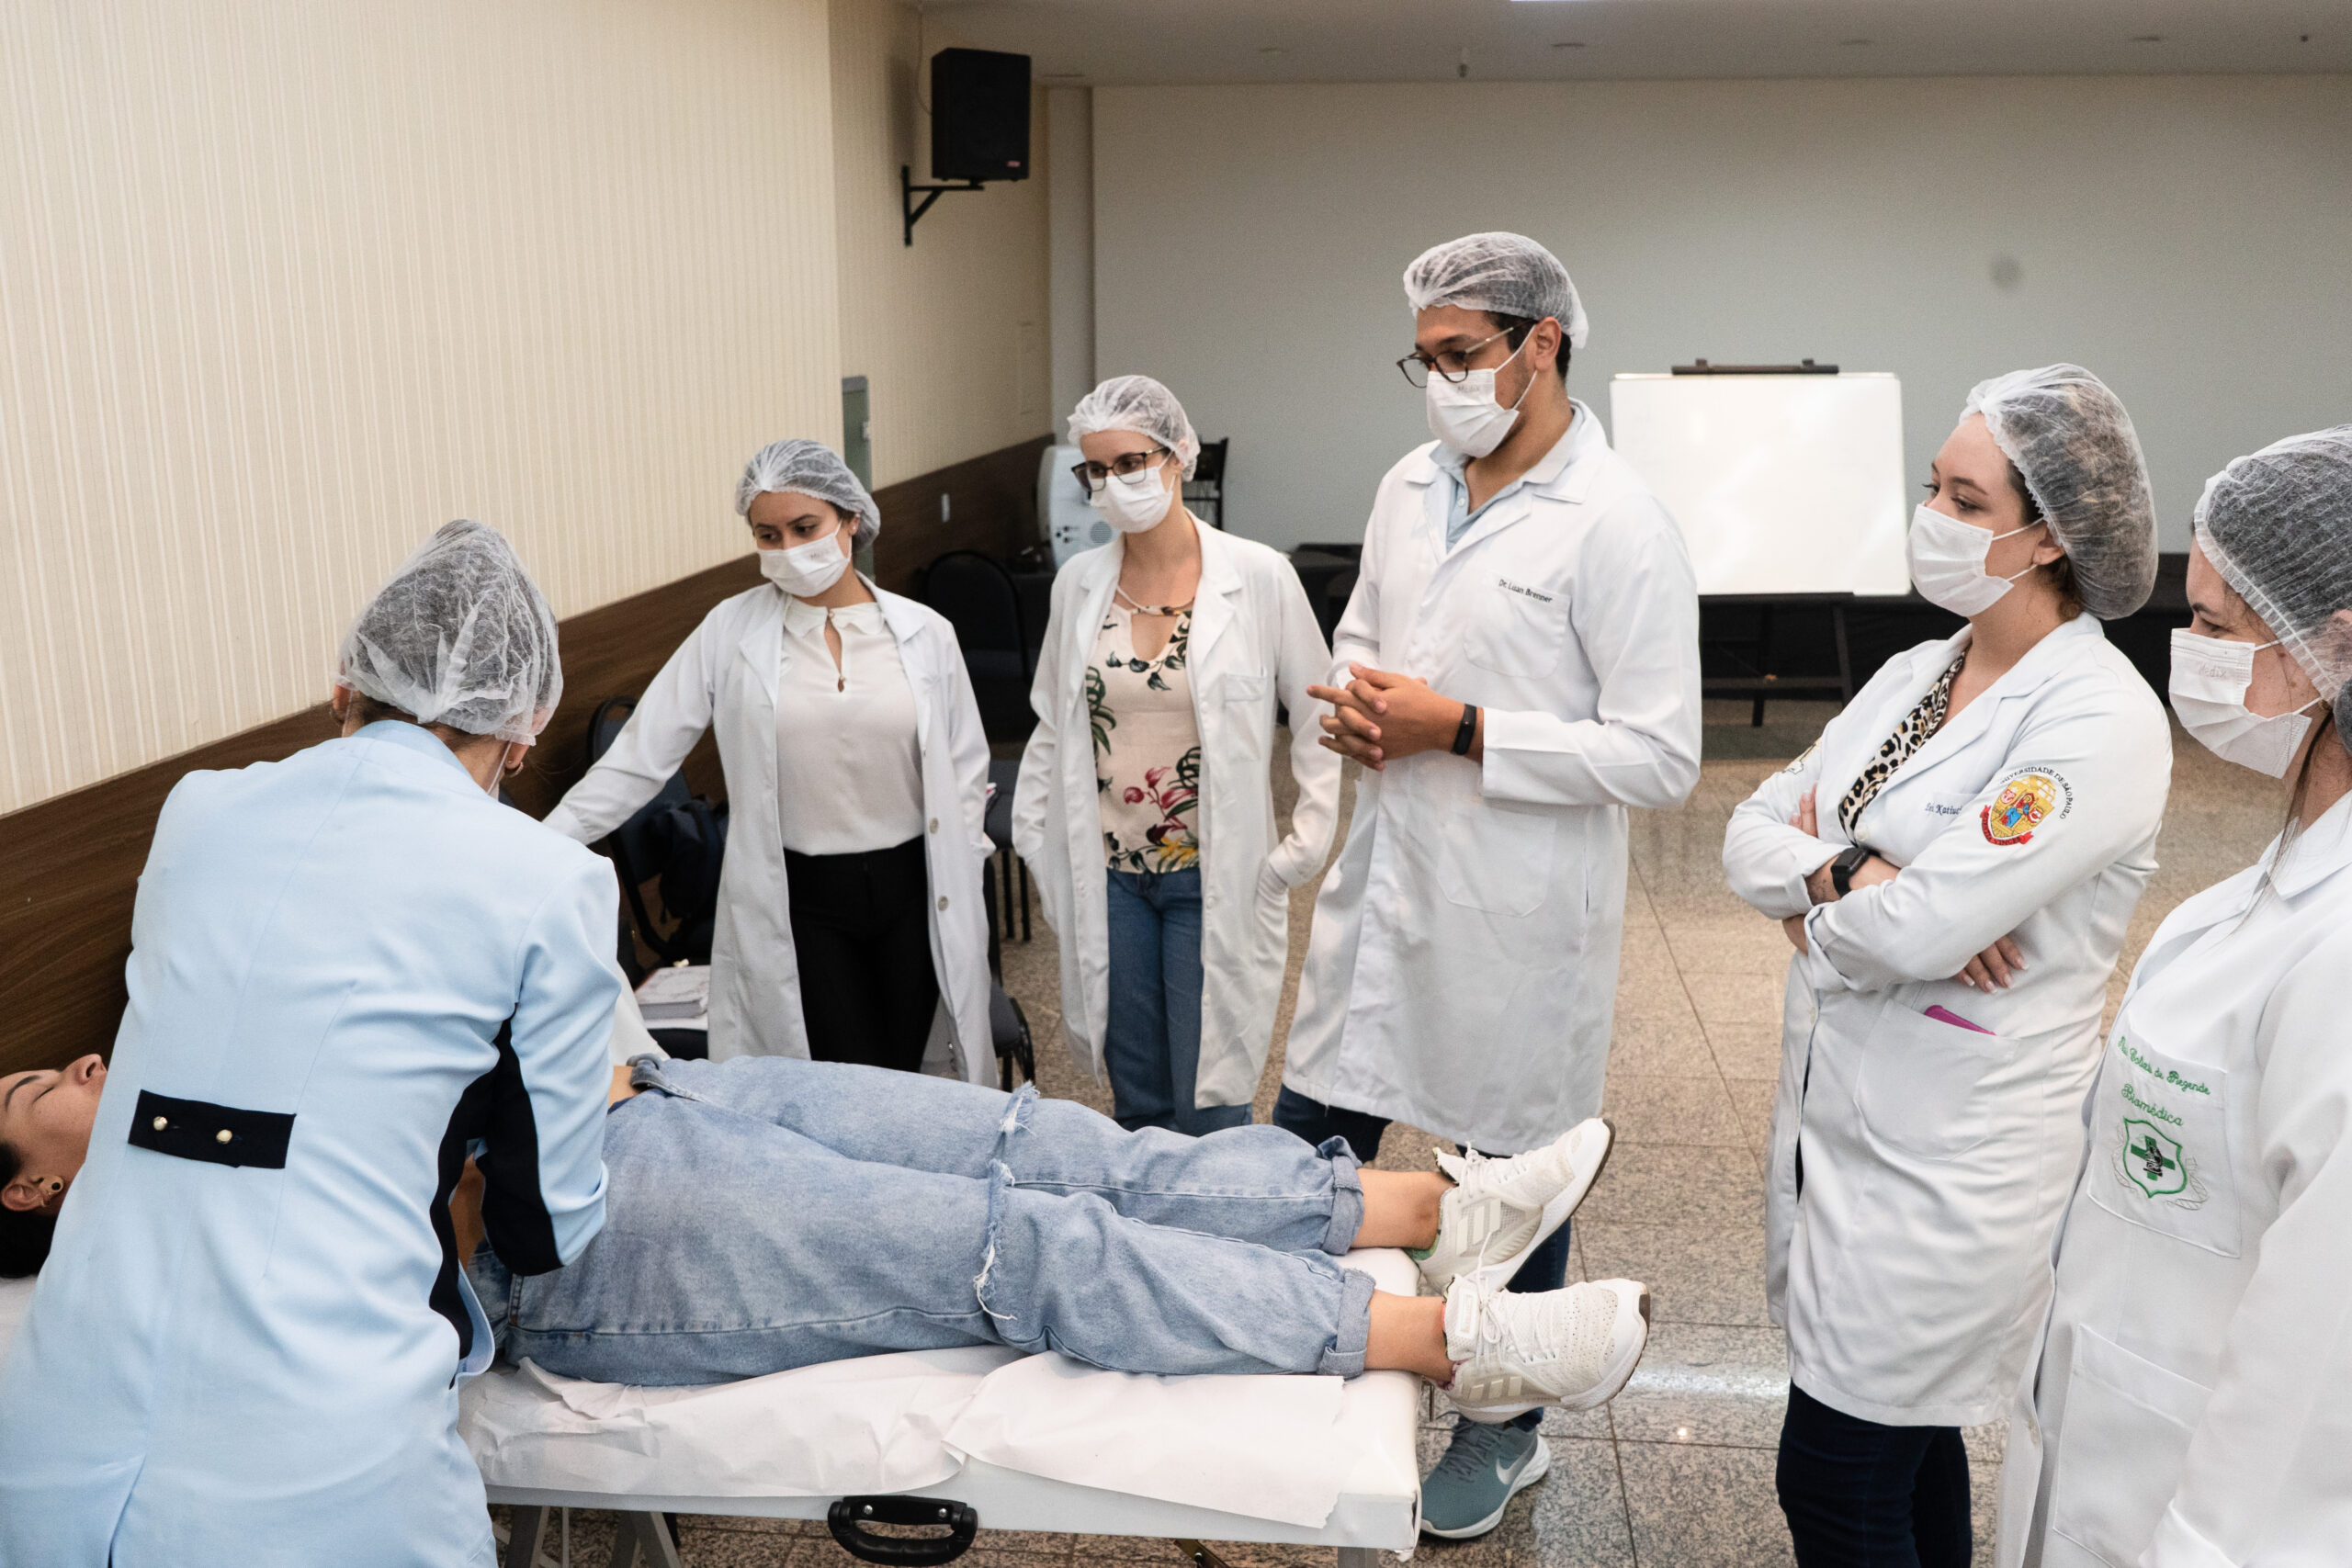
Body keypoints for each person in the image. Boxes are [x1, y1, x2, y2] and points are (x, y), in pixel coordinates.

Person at [0, 521, 622, 1568]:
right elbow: (550, 1217)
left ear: (344, 687)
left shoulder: (197, 810)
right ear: (523, 734)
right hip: (317, 1477)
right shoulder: (547, 878)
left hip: (51, 1464)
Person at [2, 1044, 1649, 1422]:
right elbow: (413, 1349)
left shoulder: (193, 1088)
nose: (76, 1063)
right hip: (581, 1244)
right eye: (32, 1091)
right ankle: (1460, 1348)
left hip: (638, 1092)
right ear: (30, 1192)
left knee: (1045, 1137)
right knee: (1019, 1249)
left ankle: (1435, 1205)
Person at [1282, 231, 1702, 1535]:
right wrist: (1359, 707)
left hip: (1518, 922)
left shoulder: (1619, 522)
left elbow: (1661, 753)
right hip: (1389, 882)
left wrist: (1460, 726)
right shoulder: (1412, 481)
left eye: (1463, 354)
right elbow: (1365, 634)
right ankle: (1304, 1354)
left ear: (1544, 345)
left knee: (1512, 1189)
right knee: (1307, 1154)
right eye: (1425, 355)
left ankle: (1503, 1425)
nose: (1440, 381)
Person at [1720, 366, 2170, 1568]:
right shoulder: (1915, 672)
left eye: (1964, 499)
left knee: (1831, 1480)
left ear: (2051, 536)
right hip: (1849, 1129)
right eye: (1934, 487)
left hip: (1954, 1164)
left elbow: (1916, 933)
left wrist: (1821, 901)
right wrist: (1848, 873)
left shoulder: (2096, 717)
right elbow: (1747, 832)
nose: (1932, 515)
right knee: (1907, 1451)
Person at [1993, 428, 2352, 1567]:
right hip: (2102, 1441)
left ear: (2327, 648)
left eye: (2209, 624)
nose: (2179, 647)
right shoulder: (2246, 904)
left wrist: (2206, 1543)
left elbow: (2319, 1352)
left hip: (2205, 1517)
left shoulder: (2336, 956)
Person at [547, 440, 995, 1078]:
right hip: (803, 899)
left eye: (805, 528)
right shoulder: (730, 631)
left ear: (850, 520)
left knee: (909, 1081)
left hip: (914, 891)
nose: (789, 548)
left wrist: (967, 855)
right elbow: (640, 757)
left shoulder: (925, 633)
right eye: (768, 534)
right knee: (843, 1083)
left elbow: (967, 767)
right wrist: (535, 842)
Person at [1014, 377, 1339, 1133]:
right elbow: (1051, 728)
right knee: (1138, 1101)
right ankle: (1146, 1247)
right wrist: (1037, 843)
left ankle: (1216, 1244)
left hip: (1212, 873)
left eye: (1130, 462)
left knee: (1210, 1098)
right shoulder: (1079, 586)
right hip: (1112, 877)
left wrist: (1307, 840)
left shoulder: (1257, 576)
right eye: (1094, 470)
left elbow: (1320, 709)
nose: (1112, 484)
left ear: (1178, 455)